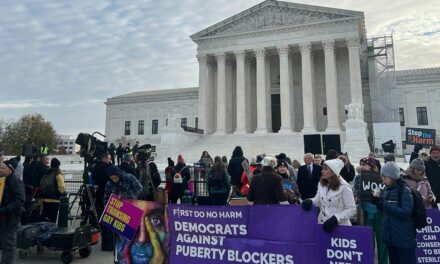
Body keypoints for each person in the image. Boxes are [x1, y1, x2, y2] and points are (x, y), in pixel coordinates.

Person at [373, 162, 416, 264]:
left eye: (385, 177)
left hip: (403, 239)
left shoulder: (404, 191)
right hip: (391, 238)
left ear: (393, 177)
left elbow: (405, 212)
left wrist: (385, 203)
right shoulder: (387, 190)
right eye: (382, 177)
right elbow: (386, 211)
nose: (383, 180)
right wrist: (377, 202)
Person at [301, 159, 356, 233]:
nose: (322, 171)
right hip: (322, 224)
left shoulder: (345, 187)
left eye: (325, 169)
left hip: (339, 227)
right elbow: (318, 200)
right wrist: (310, 201)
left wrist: (336, 219)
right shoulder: (321, 184)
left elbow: (352, 209)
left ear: (333, 172)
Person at [353, 157, 388, 264]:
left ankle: (383, 262)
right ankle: (368, 260)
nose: (362, 166)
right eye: (361, 164)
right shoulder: (358, 178)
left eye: (364, 164)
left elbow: (385, 192)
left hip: (379, 212)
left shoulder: (381, 177)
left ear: (372, 166)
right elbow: (356, 192)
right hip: (365, 212)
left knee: (382, 240)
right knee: (367, 240)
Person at [0, 158, 25, 264]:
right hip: (2, 218)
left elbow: (19, 200)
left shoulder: (14, 181)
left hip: (9, 219)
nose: (0, 169)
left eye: (2, 168)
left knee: (8, 246)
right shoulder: (2, 180)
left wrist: (4, 210)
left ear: (11, 169)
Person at [411, 144, 440, 208]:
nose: (436, 155)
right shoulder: (426, 164)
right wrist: (415, 152)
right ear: (430, 154)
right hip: (429, 198)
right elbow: (413, 166)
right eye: (433, 153)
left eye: (438, 153)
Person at [40, 158, 66, 223]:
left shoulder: (46, 173)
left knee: (45, 221)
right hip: (55, 200)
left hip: (45, 199)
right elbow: (61, 187)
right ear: (58, 166)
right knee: (52, 220)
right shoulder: (58, 174)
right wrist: (63, 193)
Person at [91, 153, 112, 219]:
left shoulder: (96, 166)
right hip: (106, 190)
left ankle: (98, 222)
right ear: (105, 158)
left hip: (99, 189)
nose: (110, 160)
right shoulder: (107, 167)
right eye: (109, 158)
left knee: (99, 208)